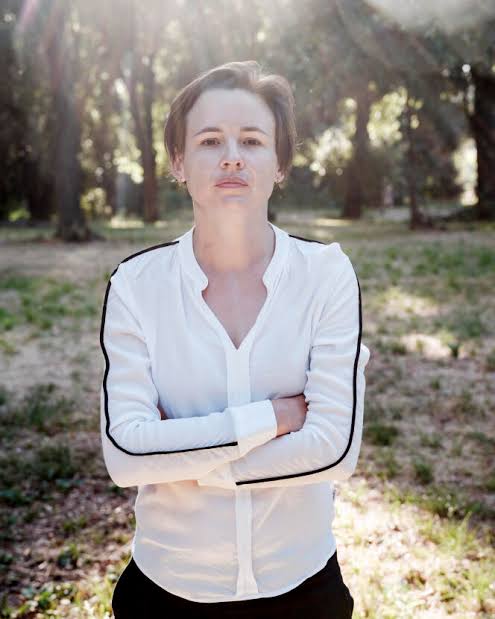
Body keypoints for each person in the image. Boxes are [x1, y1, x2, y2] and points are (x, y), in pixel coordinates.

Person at [100, 60, 370, 618]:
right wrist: (267, 421)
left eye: (252, 139)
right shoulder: (135, 286)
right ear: (178, 162)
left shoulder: (327, 275)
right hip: (167, 592)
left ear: (279, 164)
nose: (232, 156)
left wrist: (189, 461)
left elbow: (335, 448)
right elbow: (127, 453)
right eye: (208, 140)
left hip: (303, 589)